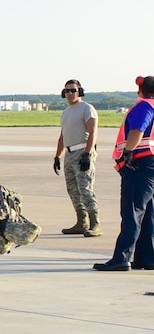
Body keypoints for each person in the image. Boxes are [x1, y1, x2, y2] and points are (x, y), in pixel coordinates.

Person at [93, 74, 154, 271]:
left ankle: (122, 258)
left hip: (140, 164)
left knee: (132, 211)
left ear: (140, 89)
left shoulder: (144, 106)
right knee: (147, 212)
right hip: (150, 164)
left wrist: (128, 152)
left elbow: (138, 130)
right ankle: (147, 257)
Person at [55, 79, 101, 236]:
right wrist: (57, 156)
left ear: (80, 92)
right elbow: (62, 137)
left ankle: (95, 223)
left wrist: (87, 154)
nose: (70, 93)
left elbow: (93, 133)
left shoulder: (87, 109)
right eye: (67, 91)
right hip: (69, 154)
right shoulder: (66, 112)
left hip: (82, 152)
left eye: (73, 90)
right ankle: (82, 222)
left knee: (85, 189)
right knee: (73, 190)